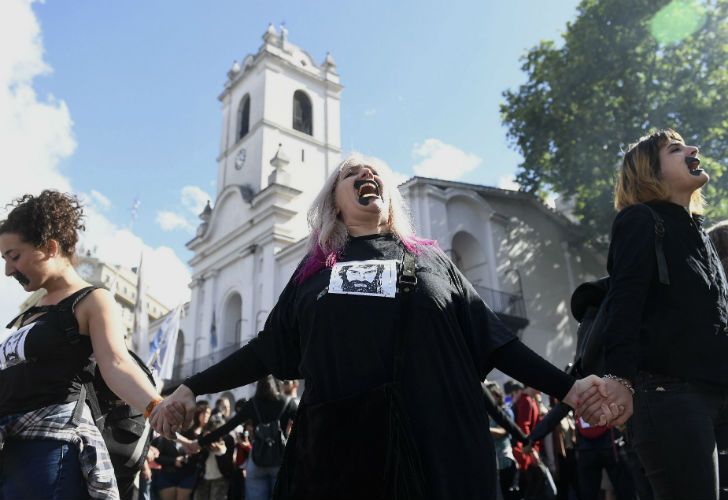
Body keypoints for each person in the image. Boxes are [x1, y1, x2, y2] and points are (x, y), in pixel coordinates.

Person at [152, 155, 613, 500]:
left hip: (441, 451)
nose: (365, 175)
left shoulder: (431, 261)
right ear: (334, 199)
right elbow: (266, 350)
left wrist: (570, 390)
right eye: (350, 173)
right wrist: (192, 387)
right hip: (342, 462)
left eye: (374, 172)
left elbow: (497, 341)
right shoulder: (313, 273)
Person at [579, 129, 728, 499]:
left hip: (716, 391)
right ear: (649, 172)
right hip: (668, 397)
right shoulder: (639, 220)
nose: (693, 149)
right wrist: (620, 380)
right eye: (676, 150)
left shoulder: (701, 236)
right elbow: (624, 305)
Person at [0, 190, 164, 500]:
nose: (8, 270)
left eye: (14, 256)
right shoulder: (31, 311)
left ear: (49, 247)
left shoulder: (92, 300)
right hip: (12, 449)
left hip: (50, 450)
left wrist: (156, 406)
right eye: (4, 259)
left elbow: (116, 363)